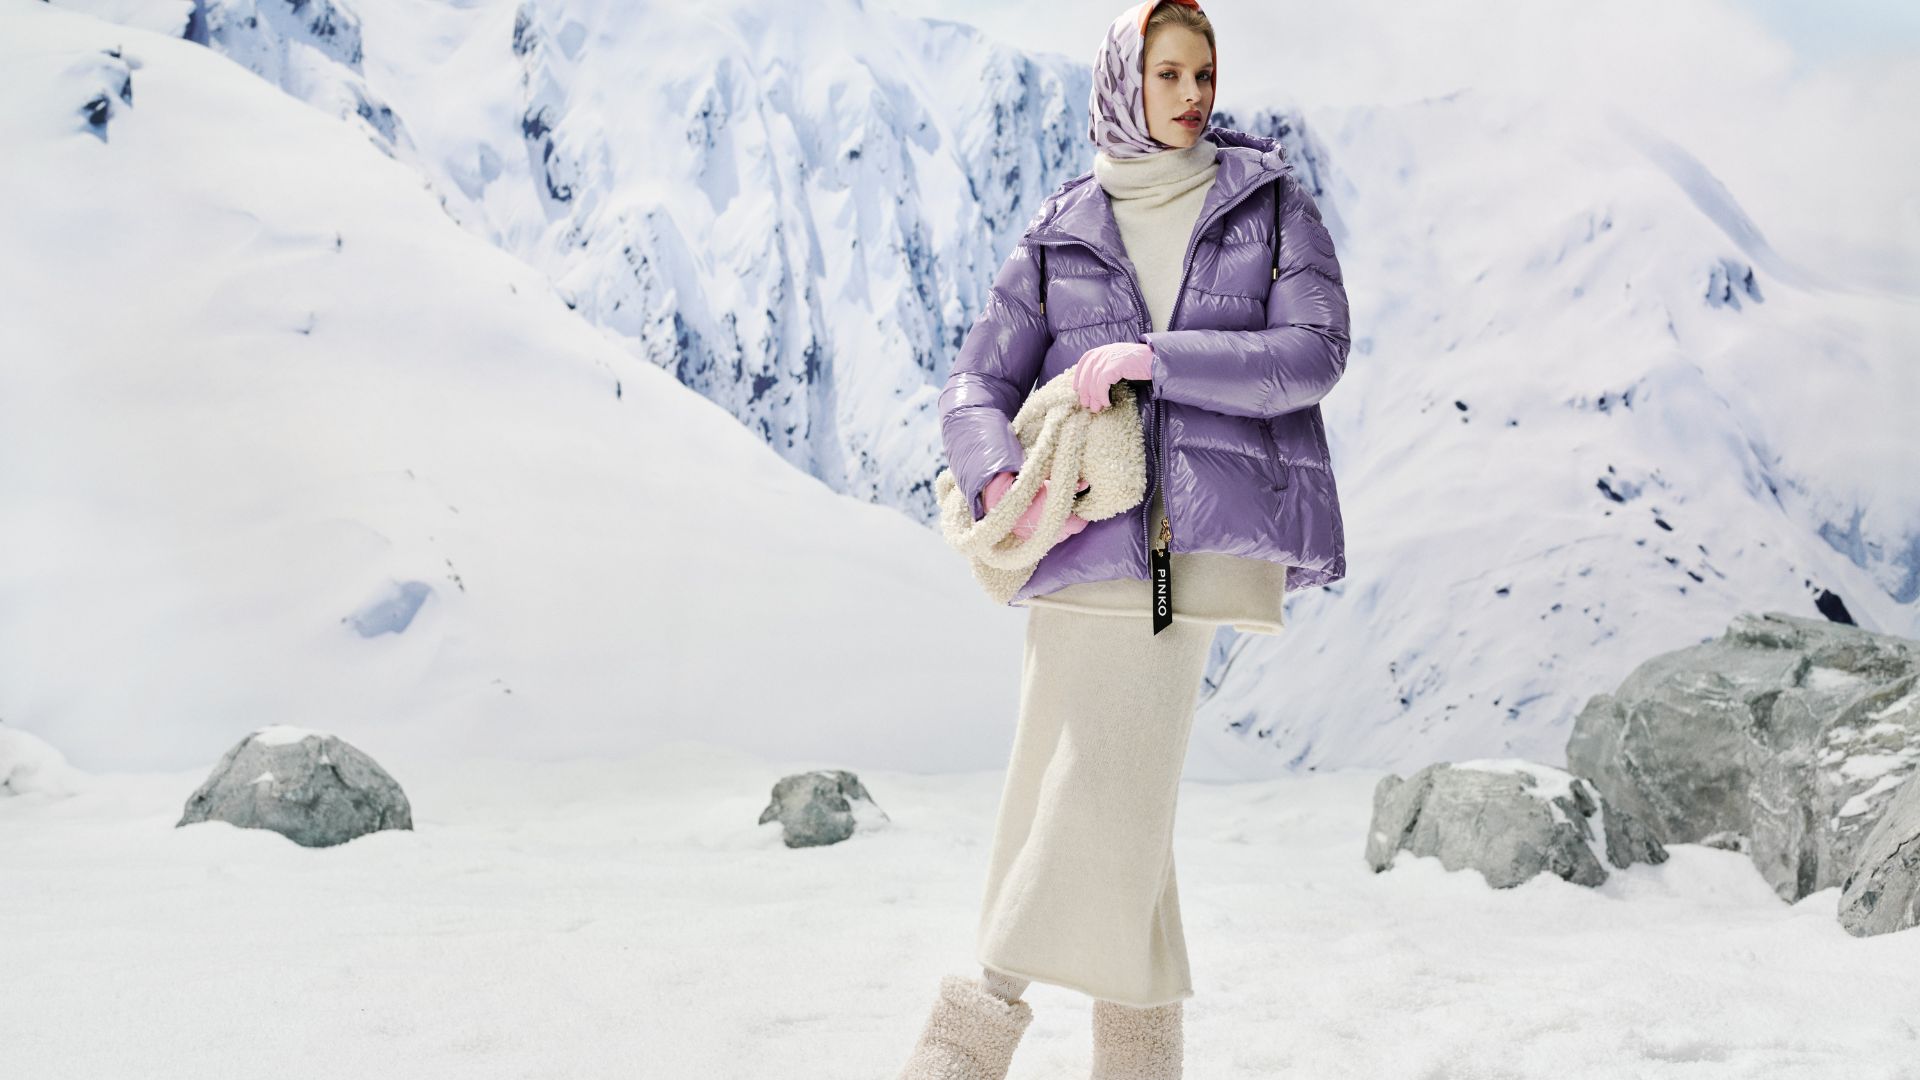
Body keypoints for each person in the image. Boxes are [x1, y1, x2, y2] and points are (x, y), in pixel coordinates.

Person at [899, 0, 1350, 1076]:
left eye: (1205, 74)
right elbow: (975, 381)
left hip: (1192, 552)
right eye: (1169, 75)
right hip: (1078, 545)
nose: (1193, 96)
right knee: (1098, 802)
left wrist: (1160, 359)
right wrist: (999, 475)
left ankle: (968, 1038)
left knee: (1093, 789)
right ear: (1123, 84)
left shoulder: (1267, 204)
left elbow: (1315, 350)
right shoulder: (1065, 227)